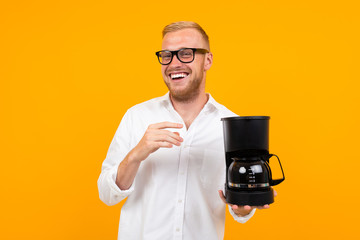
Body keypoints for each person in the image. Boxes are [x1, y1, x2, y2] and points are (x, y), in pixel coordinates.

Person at [98, 21, 273, 240]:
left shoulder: (231, 126)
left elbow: (238, 206)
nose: (174, 63)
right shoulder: (137, 116)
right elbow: (107, 194)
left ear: (207, 60)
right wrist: (136, 155)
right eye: (167, 55)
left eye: (186, 54)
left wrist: (242, 208)